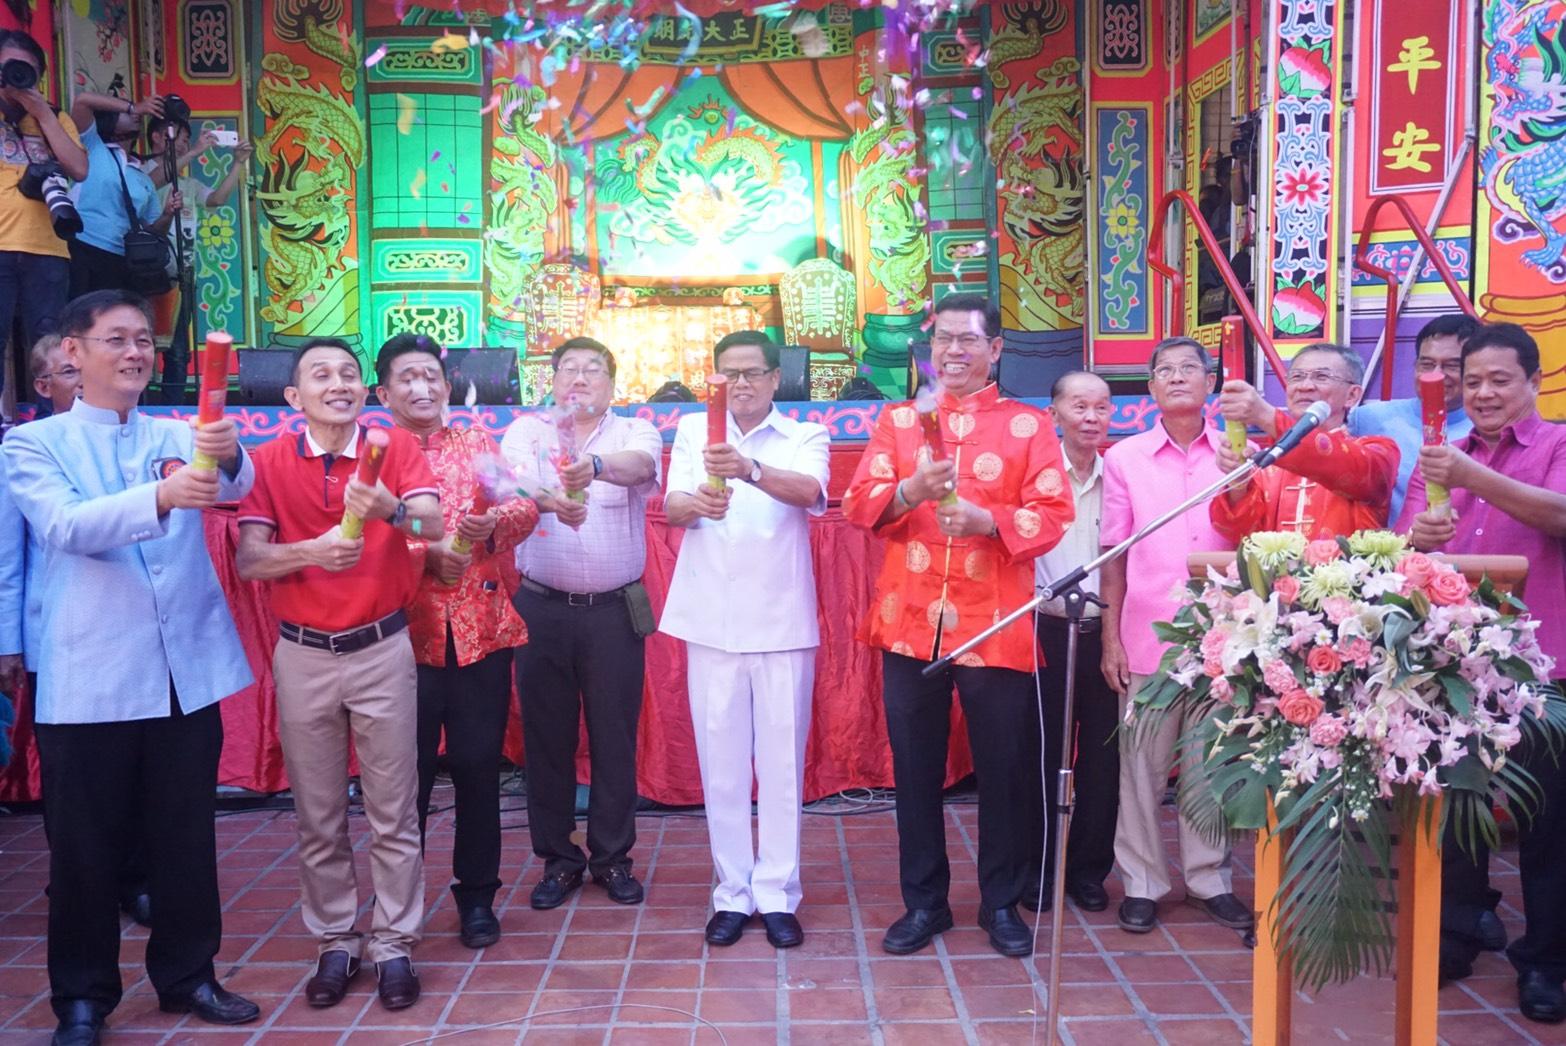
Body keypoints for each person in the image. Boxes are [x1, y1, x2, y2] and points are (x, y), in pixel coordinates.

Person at [2, 289, 260, 1045]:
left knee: (186, 838)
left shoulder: (176, 430)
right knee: (85, 849)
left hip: (184, 673)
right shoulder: (33, 445)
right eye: (115, 338)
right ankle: (82, 998)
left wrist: (226, 450)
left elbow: (237, 484)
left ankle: (188, 974)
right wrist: (162, 494)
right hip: (90, 674)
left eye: (143, 339)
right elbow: (65, 526)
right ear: (72, 352)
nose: (136, 352)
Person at [842, 293, 1075, 959]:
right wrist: (910, 491)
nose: (953, 351)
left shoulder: (1030, 425)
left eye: (968, 339)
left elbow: (1053, 513)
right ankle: (925, 902)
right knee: (915, 769)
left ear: (995, 349)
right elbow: (858, 504)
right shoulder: (899, 421)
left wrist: (987, 521)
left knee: (1002, 769)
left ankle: (1000, 901)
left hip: (994, 620)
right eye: (943, 338)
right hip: (909, 621)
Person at [234, 338, 442, 1011]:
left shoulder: (393, 448)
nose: (339, 384)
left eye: (349, 373)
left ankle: (394, 944)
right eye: (320, 375)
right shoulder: (268, 461)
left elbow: (432, 522)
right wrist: (314, 552)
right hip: (303, 654)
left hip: (381, 648)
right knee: (318, 813)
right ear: (293, 397)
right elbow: (250, 561)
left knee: (393, 810)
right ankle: (335, 940)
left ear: (364, 390)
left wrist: (386, 508)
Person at [1399, 322, 1566, 1025]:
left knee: (1548, 821)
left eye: (1500, 380)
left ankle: (1548, 961)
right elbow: (1401, 548)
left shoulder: (1556, 445)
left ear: (1534, 381)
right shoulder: (1442, 458)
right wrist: (1418, 537)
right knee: (1455, 805)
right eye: (1472, 382)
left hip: (1542, 664)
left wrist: (1474, 481)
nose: (1485, 393)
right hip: (1454, 666)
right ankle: (1457, 932)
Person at [661, 331, 831, 948]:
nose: (740, 384)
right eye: (728, 374)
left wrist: (750, 470)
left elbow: (810, 493)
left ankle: (778, 893)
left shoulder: (805, 435)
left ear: (776, 377)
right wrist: (699, 504)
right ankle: (732, 892)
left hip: (782, 621)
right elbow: (672, 506)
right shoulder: (692, 431)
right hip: (710, 620)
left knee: (781, 767)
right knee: (723, 768)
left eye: (752, 373)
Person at [374, 333, 538, 949]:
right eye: (407, 378)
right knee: (404, 779)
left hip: (480, 634)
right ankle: (400, 905)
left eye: (430, 377)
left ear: (446, 386)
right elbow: (358, 534)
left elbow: (522, 507)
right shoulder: (373, 453)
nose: (421, 388)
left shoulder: (477, 443)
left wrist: (491, 525)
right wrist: (426, 554)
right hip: (398, 637)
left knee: (476, 768)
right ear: (383, 393)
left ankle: (477, 897)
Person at [499, 336, 662, 910]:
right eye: (568, 368)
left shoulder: (635, 431)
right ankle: (558, 861)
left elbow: (642, 468)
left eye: (593, 369)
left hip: (613, 612)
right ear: (552, 380)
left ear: (612, 384)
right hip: (542, 609)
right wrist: (550, 498)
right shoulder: (527, 432)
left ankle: (612, 859)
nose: (580, 378)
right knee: (547, 740)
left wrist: (593, 468)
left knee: (615, 737)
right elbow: (514, 481)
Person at [1099, 337, 1249, 937]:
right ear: (1151, 388)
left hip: (1224, 637)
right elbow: (1113, 554)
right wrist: (1110, 638)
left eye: (1190, 368)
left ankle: (1210, 878)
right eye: (1165, 370)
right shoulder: (1125, 458)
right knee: (1141, 767)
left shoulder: (1240, 452)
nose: (1178, 377)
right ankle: (1142, 883)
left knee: (1211, 764)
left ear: (1211, 383)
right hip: (1146, 635)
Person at [1024, 371, 1118, 916]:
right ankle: (1041, 869)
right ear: (1053, 414)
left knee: (1104, 760)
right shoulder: (1034, 477)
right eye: (1079, 406)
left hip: (1105, 633)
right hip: (1045, 630)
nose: (1091, 417)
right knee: (1041, 754)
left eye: (1101, 407)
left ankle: (1087, 871)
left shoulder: (1119, 477)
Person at [1210, 342, 1400, 542]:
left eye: (1322, 377)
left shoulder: (1379, 450)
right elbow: (1236, 533)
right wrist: (1239, 483)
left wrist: (1266, 416)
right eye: (1297, 377)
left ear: (1352, 395)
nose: (1305, 386)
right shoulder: (1268, 464)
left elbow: (1344, 466)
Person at [0, 30, 86, 413]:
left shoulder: (55, 116)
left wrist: (41, 112)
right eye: (8, 68)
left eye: (25, 71)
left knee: (49, 344)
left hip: (47, 248)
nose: (16, 77)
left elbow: (79, 168)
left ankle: (55, 427)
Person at [139, 115, 252, 402]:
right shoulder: (141, 171)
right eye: (180, 137)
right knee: (141, 343)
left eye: (188, 140)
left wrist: (238, 164)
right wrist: (195, 152)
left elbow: (216, 200)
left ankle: (174, 408)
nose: (185, 144)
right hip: (146, 272)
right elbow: (149, 185)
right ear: (157, 136)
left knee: (178, 351)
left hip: (182, 270)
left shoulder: (187, 183)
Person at [1349, 314, 1481, 522]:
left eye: (1452, 365)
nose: (1437, 375)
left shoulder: (1490, 430)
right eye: (1427, 364)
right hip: (1389, 541)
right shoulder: (1367, 419)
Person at [65, 91, 181, 296]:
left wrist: (168, 214)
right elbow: (82, 100)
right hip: (80, 246)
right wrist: (133, 106)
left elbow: (154, 231)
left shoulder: (143, 177)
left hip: (121, 257)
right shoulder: (92, 145)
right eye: (125, 113)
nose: (136, 115)